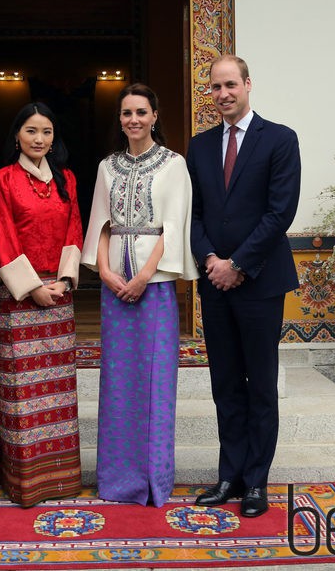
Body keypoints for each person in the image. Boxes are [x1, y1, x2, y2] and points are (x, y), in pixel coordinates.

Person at [186, 55, 301, 518]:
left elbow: (280, 212)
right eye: (215, 87)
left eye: (231, 84)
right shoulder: (199, 146)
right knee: (225, 385)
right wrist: (212, 260)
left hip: (259, 282)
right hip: (215, 283)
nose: (223, 94)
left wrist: (238, 263)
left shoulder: (279, 139)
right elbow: (191, 214)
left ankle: (256, 481)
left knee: (259, 387)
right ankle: (229, 475)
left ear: (248, 84)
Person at [82, 83, 198, 507]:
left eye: (141, 112)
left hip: (155, 286)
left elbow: (175, 227)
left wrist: (144, 276)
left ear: (155, 116)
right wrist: (108, 274)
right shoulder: (107, 167)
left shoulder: (174, 164)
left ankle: (153, 481)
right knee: (117, 382)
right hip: (115, 288)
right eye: (127, 113)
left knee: (154, 382)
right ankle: (116, 481)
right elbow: (100, 225)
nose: (134, 119)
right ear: (121, 119)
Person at [0, 102, 84, 507]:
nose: (39, 139)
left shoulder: (67, 179)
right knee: (22, 394)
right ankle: (25, 482)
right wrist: (31, 288)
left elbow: (74, 226)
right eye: (31, 131)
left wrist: (63, 280)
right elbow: (1, 234)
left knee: (58, 394)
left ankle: (62, 479)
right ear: (16, 137)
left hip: (59, 297)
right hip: (19, 300)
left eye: (46, 131)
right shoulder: (3, 179)